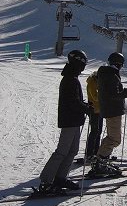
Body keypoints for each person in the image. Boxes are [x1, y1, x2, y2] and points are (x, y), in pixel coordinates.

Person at [37, 50, 92, 194]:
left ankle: (60, 177)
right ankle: (47, 180)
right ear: (78, 63)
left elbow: (75, 101)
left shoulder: (72, 77)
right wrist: (86, 108)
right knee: (62, 151)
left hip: (74, 119)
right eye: (83, 64)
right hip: (69, 120)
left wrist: (85, 106)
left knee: (72, 151)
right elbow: (72, 102)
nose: (84, 67)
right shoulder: (70, 79)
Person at [90, 52, 127, 176]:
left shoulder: (107, 74)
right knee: (114, 138)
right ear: (119, 64)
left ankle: (102, 160)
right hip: (112, 110)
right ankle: (100, 162)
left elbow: (114, 92)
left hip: (110, 109)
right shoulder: (111, 75)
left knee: (113, 137)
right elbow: (115, 94)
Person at [78, 70, 103, 164]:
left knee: (98, 131)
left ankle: (96, 152)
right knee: (94, 131)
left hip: (99, 110)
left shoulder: (96, 82)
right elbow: (95, 96)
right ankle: (89, 153)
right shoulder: (92, 82)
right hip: (94, 110)